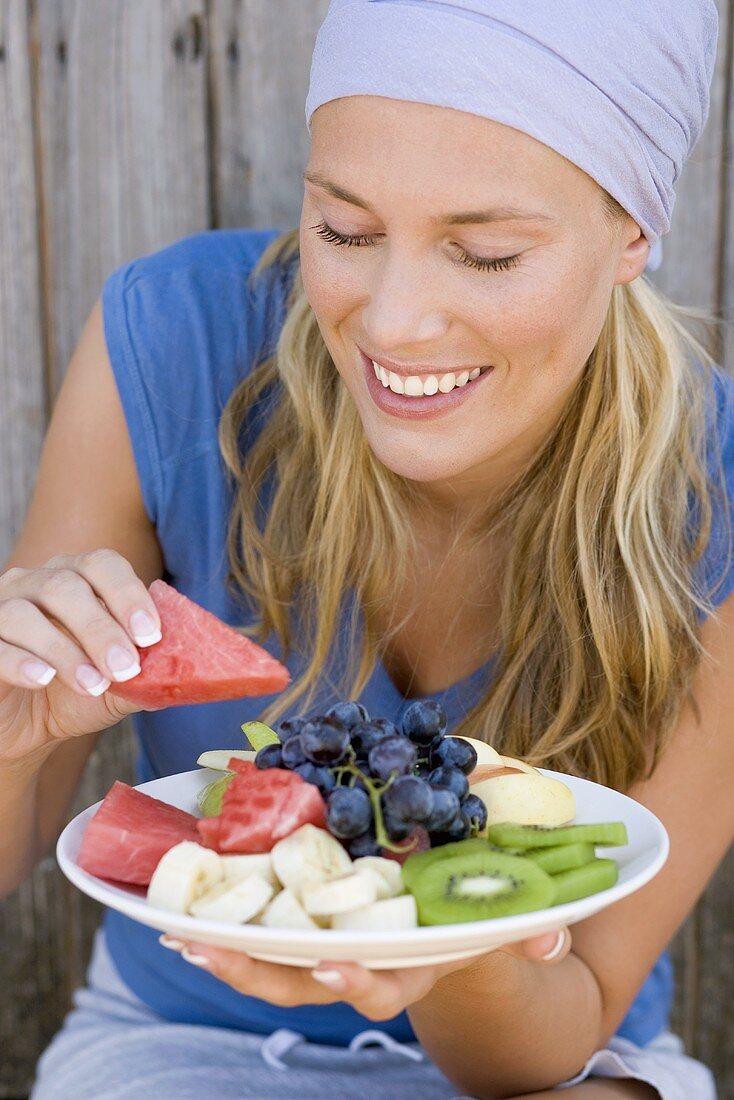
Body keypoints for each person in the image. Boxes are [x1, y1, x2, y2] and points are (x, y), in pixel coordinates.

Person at [0, 0, 730, 1096]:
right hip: (184, 1045)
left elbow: (547, 1034)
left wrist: (427, 936)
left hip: (559, 1059)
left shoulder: (712, 487)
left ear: (629, 232)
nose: (390, 324)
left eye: (484, 254)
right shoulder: (171, 340)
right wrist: (14, 729)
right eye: (341, 230)